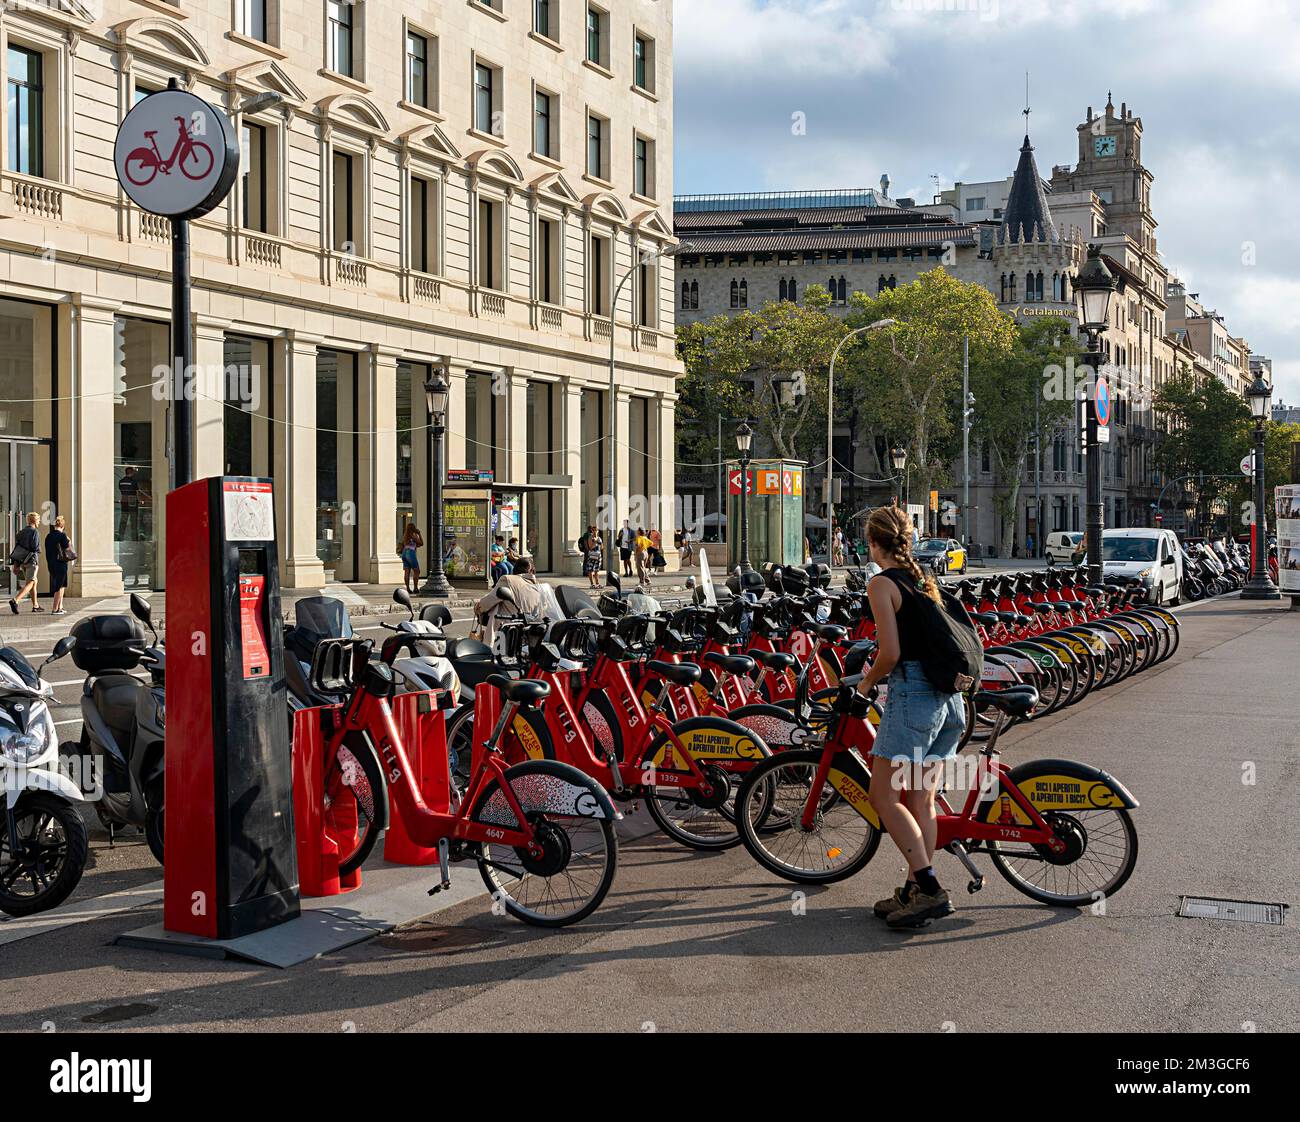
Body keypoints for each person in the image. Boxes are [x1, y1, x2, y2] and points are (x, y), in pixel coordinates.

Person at [855, 505, 966, 929]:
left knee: (882, 796)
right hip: (949, 700)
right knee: (921, 799)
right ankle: (913, 890)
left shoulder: (881, 584)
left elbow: (891, 654)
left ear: (873, 543)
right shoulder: (924, 579)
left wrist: (865, 686)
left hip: (915, 699)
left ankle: (931, 889)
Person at [476, 555, 541, 646]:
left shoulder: (508, 579)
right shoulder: (537, 586)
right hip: (528, 631)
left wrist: (478, 607)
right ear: (531, 570)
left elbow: (487, 602)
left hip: (506, 630)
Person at [9, 512, 42, 614]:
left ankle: (35, 605)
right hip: (32, 561)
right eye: (38, 520)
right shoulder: (34, 532)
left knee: (34, 582)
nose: (39, 522)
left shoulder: (21, 532)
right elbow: (35, 548)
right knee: (30, 583)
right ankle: (16, 600)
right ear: (35, 521)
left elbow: (17, 549)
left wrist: (16, 565)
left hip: (23, 561)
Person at [45, 515, 73, 615]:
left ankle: (60, 607)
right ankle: (54, 609)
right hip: (61, 563)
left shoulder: (48, 536)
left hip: (51, 563)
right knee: (59, 586)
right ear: (63, 526)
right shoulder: (62, 536)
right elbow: (67, 547)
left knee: (61, 585)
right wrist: (69, 540)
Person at [400, 522, 424, 594]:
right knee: (417, 571)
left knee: (407, 571)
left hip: (404, 553)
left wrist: (416, 544)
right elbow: (421, 543)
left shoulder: (405, 535)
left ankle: (407, 588)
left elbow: (414, 544)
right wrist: (419, 534)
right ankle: (416, 588)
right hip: (410, 553)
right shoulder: (413, 535)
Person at [581, 524, 603, 589]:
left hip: (598, 556)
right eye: (593, 530)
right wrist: (595, 542)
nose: (595, 531)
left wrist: (599, 543)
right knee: (590, 570)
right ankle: (592, 584)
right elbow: (590, 547)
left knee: (596, 570)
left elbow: (602, 547)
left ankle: (597, 583)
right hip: (592, 556)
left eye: (596, 530)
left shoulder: (599, 538)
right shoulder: (590, 538)